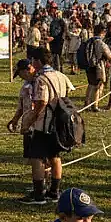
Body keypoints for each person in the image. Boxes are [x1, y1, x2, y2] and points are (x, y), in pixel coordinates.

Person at [20, 47, 75, 205]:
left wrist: (30, 120)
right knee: (55, 156)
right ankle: (54, 191)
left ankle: (38, 195)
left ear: (37, 61)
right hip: (59, 122)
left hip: (44, 123)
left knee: (37, 157)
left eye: (33, 60)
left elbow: (41, 102)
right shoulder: (60, 75)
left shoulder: (41, 79)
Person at [81, 23, 111, 109]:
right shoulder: (100, 43)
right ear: (103, 32)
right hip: (98, 66)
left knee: (90, 84)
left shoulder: (89, 41)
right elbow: (109, 56)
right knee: (97, 85)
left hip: (88, 65)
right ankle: (95, 105)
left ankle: (87, 102)